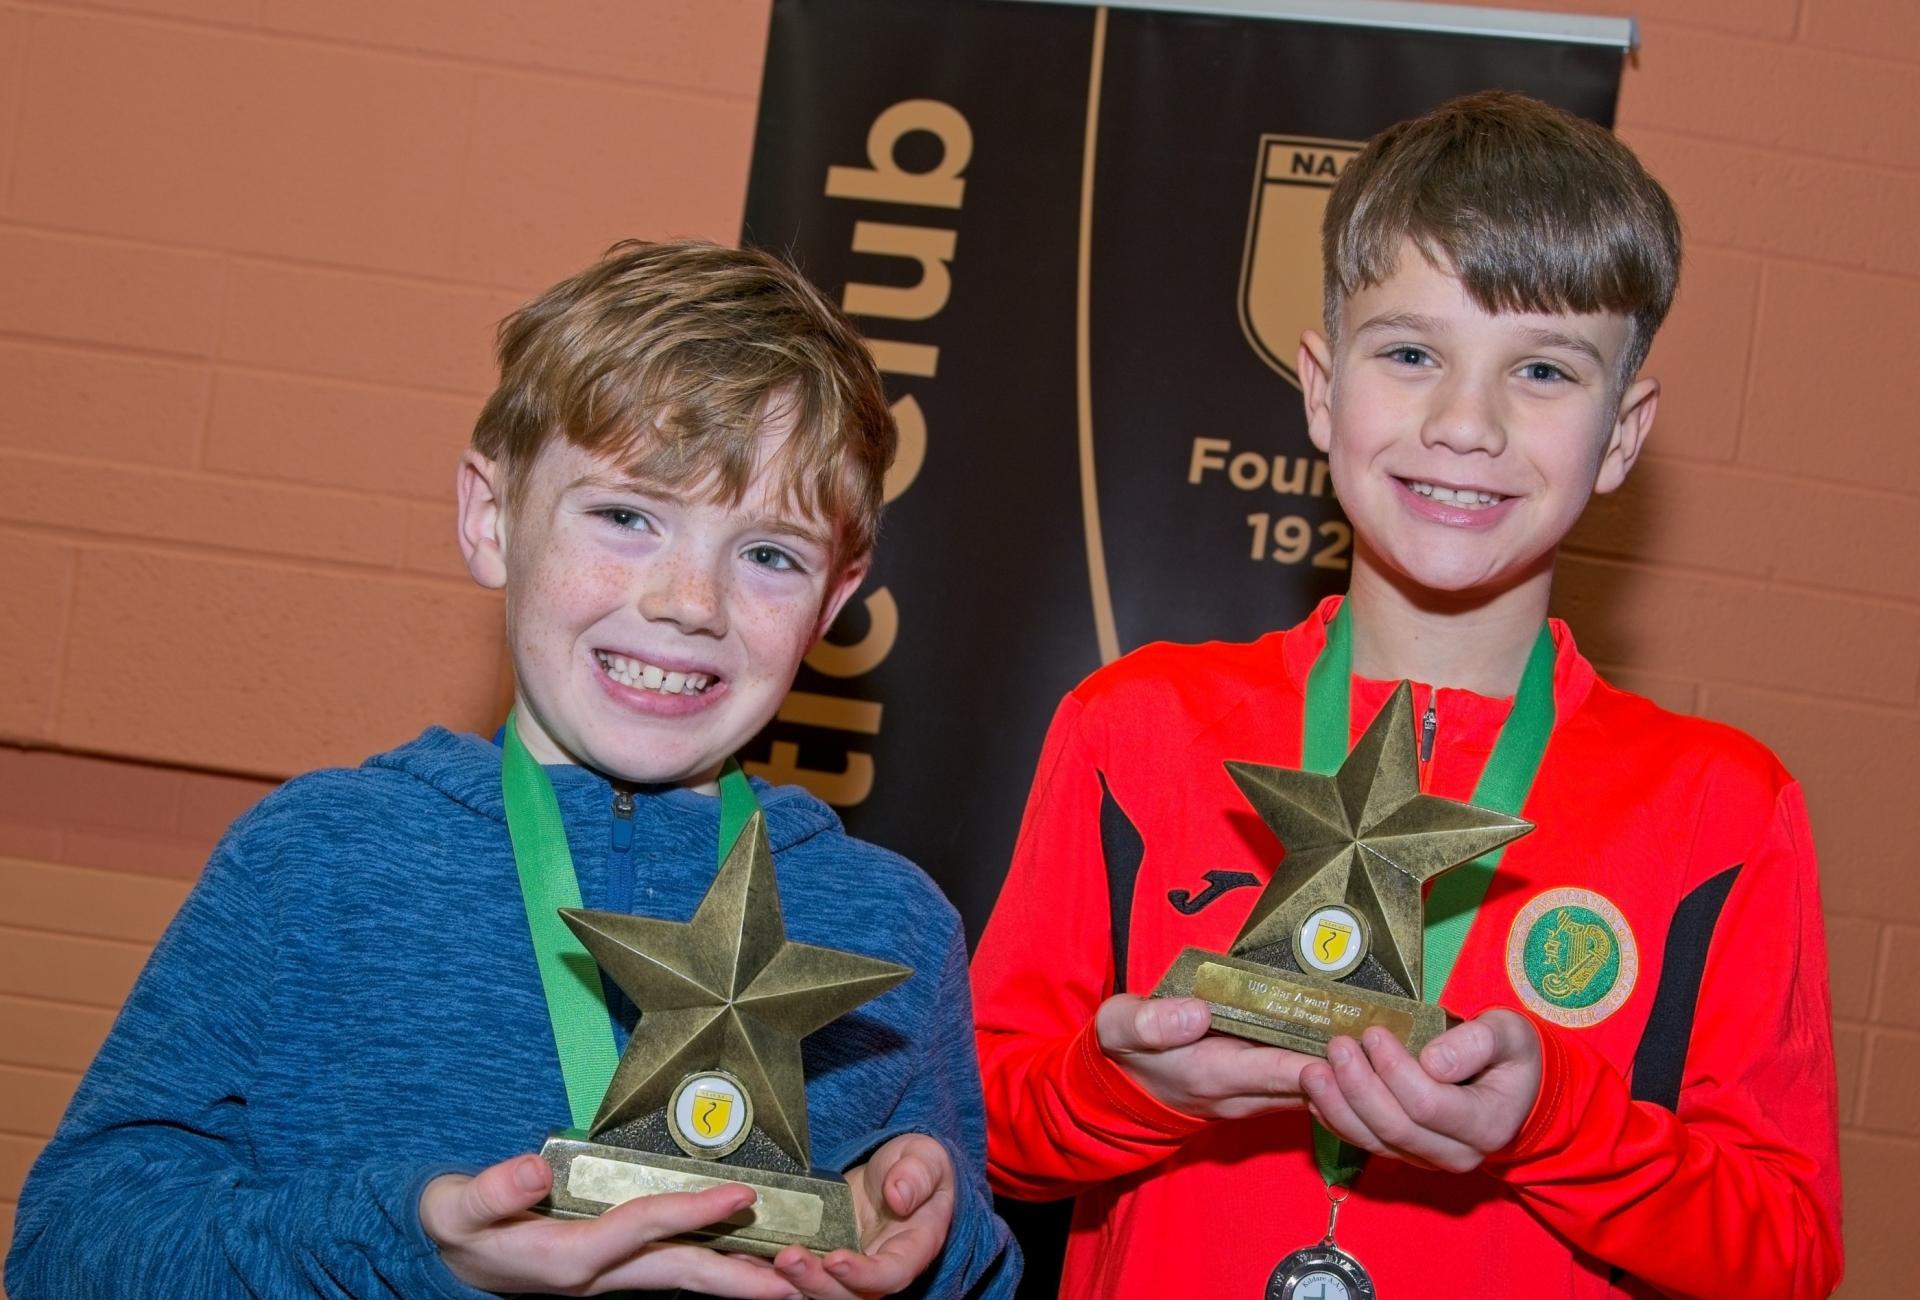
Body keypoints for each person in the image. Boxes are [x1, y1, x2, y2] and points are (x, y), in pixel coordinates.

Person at [8, 239, 1018, 1300]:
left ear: (835, 598)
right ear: (491, 519)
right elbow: (69, 1250)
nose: (690, 602)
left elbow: (969, 1269)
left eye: (770, 554)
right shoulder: (316, 859)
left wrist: (932, 1242)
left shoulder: (892, 924)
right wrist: (416, 1248)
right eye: (626, 516)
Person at [971, 92, 1841, 1299]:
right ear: (1322, 389)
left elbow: (1787, 1252)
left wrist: (1556, 1124)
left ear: (1622, 435)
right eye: (1412, 354)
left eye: (1543, 369)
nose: (1465, 424)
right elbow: (978, 1126)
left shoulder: (1721, 809)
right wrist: (1122, 1088)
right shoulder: (1137, 727)